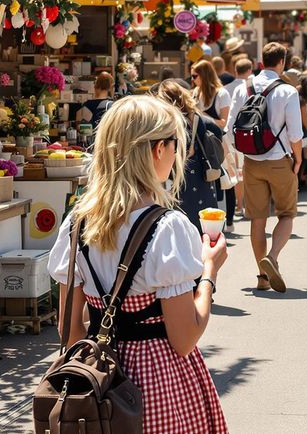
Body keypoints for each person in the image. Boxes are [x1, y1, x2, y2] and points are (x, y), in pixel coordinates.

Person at [47, 95, 228, 434]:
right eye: (174, 144)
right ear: (157, 149)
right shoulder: (168, 227)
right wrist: (209, 273)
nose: (177, 155)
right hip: (158, 385)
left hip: (96, 388)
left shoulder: (77, 224)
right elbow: (185, 338)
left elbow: (70, 334)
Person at [225, 43, 304, 293]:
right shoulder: (288, 91)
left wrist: (242, 153)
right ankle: (273, 255)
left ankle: (262, 276)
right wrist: (298, 159)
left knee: (257, 220)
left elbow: (230, 129)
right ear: (282, 62)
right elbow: (295, 133)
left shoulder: (243, 87)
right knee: (287, 214)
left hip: (252, 162)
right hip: (280, 159)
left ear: (261, 62)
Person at [152, 80, 221, 229]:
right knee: (204, 226)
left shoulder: (170, 123)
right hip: (201, 177)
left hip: (179, 177)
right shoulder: (196, 118)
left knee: (182, 225)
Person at [192, 61, 231, 126]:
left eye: (194, 76)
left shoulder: (222, 94)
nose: (192, 79)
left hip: (217, 135)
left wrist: (204, 117)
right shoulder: (196, 91)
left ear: (204, 76)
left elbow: (224, 123)